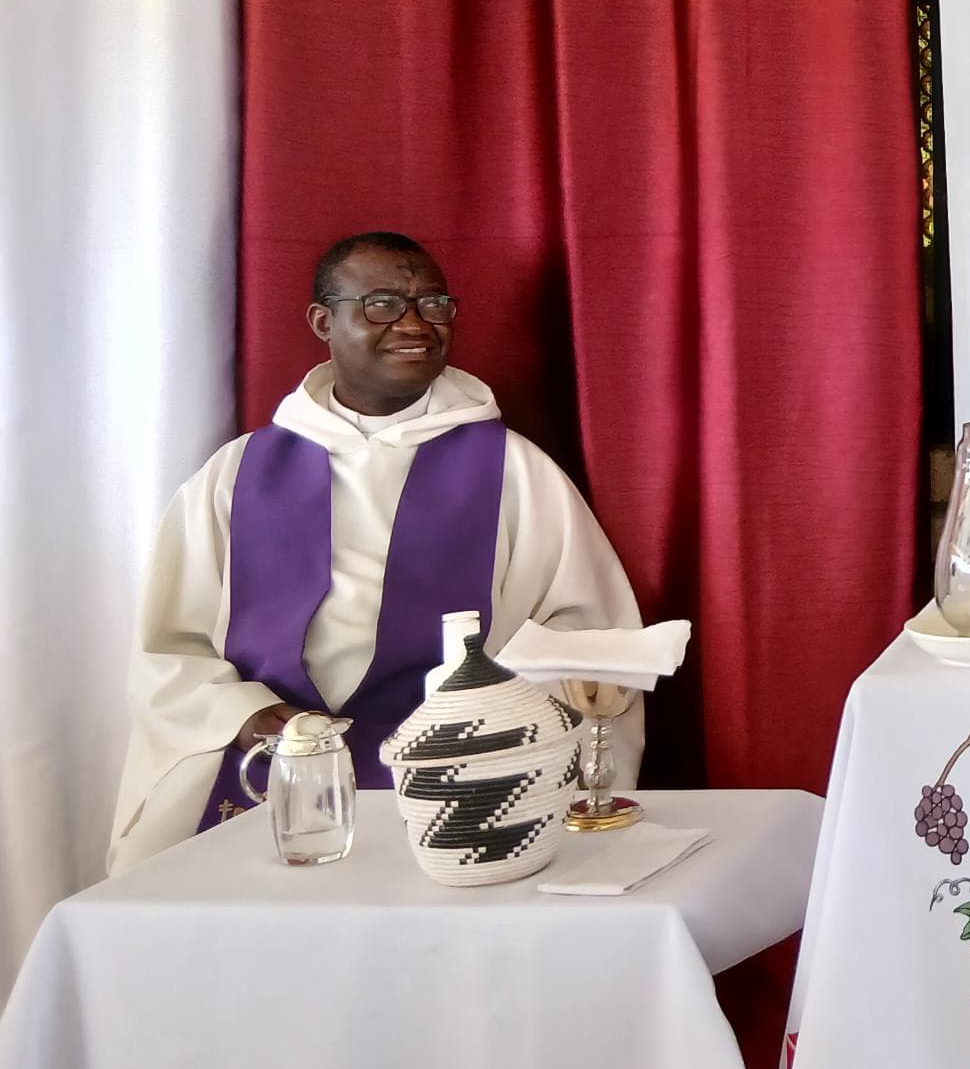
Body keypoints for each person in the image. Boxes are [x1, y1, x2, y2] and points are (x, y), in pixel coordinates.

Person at [108, 233, 645, 872]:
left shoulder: (514, 472)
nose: (414, 325)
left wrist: (492, 717)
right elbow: (169, 650)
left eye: (434, 304)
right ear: (323, 322)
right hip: (274, 763)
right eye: (382, 304)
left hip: (462, 772)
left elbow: (589, 640)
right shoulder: (237, 474)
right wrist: (250, 717)